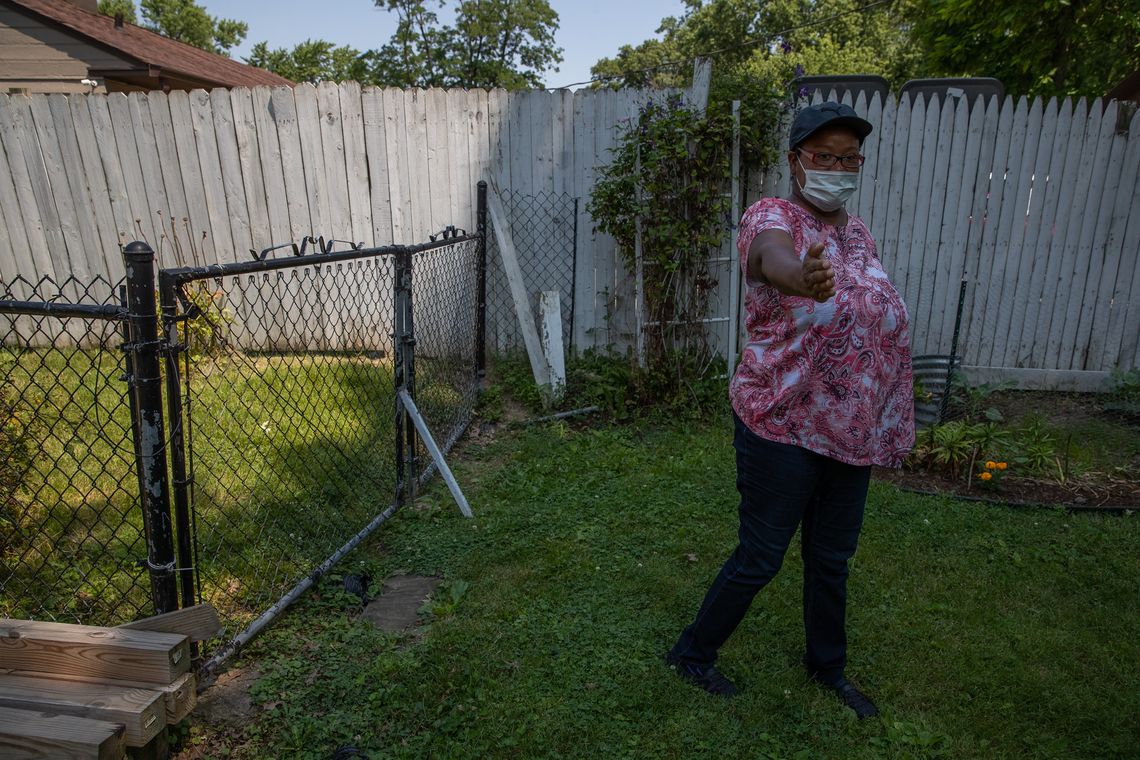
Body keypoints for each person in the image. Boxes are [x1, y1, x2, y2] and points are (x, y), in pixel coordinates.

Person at [664, 102, 915, 719]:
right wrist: (799, 278)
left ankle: (827, 668)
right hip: (781, 423)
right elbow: (768, 257)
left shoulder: (857, 234)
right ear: (795, 161)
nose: (837, 167)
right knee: (761, 556)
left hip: (848, 431)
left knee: (831, 561)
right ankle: (692, 653)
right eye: (823, 155)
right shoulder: (771, 216)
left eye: (848, 158)